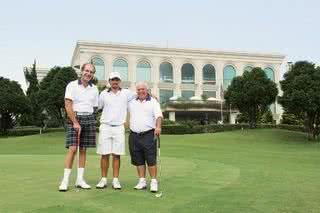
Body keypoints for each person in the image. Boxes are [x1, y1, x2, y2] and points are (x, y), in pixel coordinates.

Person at [58, 63, 99, 191]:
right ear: (81, 72)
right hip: (75, 117)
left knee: (83, 150)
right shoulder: (72, 85)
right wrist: (75, 122)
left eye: (91, 72)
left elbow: (94, 107)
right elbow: (67, 105)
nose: (88, 73)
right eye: (86, 71)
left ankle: (80, 180)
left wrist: (91, 118)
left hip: (89, 118)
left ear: (93, 74)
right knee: (73, 149)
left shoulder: (95, 89)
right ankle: (65, 181)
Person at [95, 72, 135, 190]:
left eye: (117, 80)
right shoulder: (103, 94)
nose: (115, 82)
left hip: (119, 127)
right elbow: (97, 107)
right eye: (113, 80)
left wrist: (152, 95)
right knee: (104, 154)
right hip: (105, 126)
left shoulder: (126, 93)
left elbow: (140, 94)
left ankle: (116, 180)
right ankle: (103, 179)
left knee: (117, 155)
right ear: (109, 81)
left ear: (120, 81)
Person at [128, 81, 163, 192]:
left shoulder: (153, 102)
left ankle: (153, 181)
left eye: (143, 89)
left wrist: (158, 127)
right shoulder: (132, 101)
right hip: (134, 135)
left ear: (147, 90)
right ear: (136, 91)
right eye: (138, 89)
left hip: (148, 134)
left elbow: (158, 116)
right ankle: (142, 181)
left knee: (151, 159)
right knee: (138, 159)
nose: (141, 91)